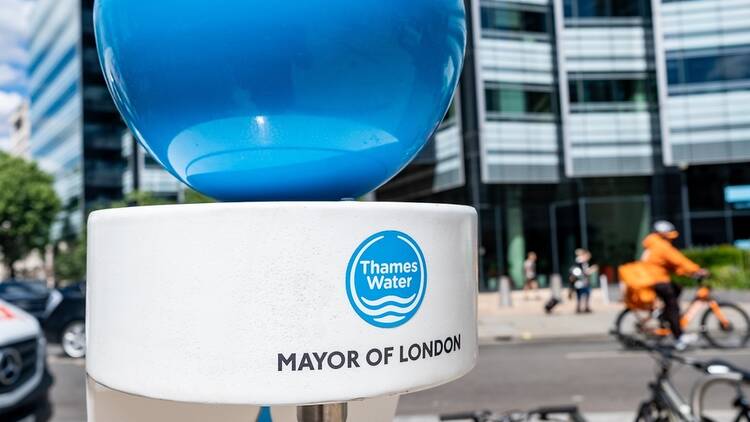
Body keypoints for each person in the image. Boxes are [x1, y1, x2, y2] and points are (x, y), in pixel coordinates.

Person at [641, 220, 709, 350]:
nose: (671, 239)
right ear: (663, 234)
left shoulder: (653, 243)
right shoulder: (661, 246)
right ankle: (679, 337)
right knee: (673, 306)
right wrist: (697, 270)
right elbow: (679, 260)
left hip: (654, 279)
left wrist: (688, 273)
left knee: (677, 289)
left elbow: (671, 265)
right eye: (669, 235)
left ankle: (665, 317)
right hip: (657, 280)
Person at [569, 249, 598, 313]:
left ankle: (582, 307)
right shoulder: (579, 262)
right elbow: (581, 273)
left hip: (582, 282)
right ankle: (581, 308)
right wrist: (591, 270)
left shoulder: (583, 263)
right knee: (584, 293)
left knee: (583, 294)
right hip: (580, 282)